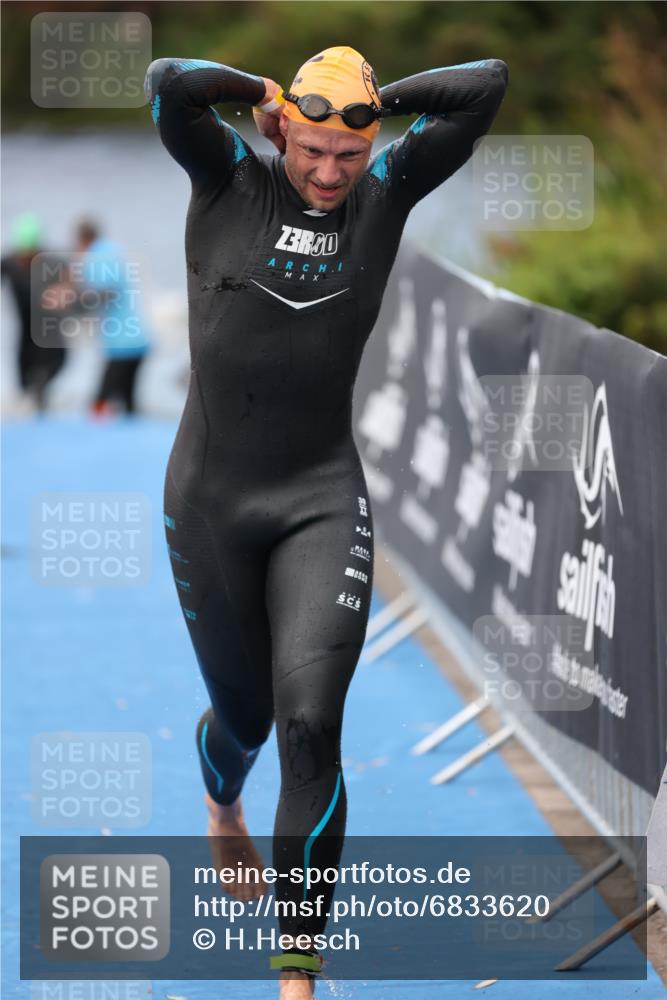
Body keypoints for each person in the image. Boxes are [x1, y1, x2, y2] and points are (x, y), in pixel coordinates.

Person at [144, 44, 508, 997]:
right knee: (247, 717)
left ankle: (296, 975)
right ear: (280, 134)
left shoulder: (385, 190)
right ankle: (221, 800)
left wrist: (366, 104)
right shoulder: (227, 179)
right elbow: (171, 87)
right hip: (211, 500)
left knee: (310, 726)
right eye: (311, 149)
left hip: (319, 497)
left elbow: (486, 86)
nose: (327, 172)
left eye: (347, 154)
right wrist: (266, 92)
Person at [73, 219, 151, 415]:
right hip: (138, 338)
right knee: (128, 404)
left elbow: (107, 291)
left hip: (121, 345)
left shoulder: (94, 257)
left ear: (81, 240)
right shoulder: (112, 250)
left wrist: (75, 300)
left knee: (99, 404)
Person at [1, 213, 65, 411]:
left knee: (53, 366)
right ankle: (29, 402)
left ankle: (40, 397)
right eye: (24, 254)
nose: (26, 259)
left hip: (49, 328)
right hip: (25, 328)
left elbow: (71, 282)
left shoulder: (50, 262)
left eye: (31, 254)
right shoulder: (9, 262)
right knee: (24, 374)